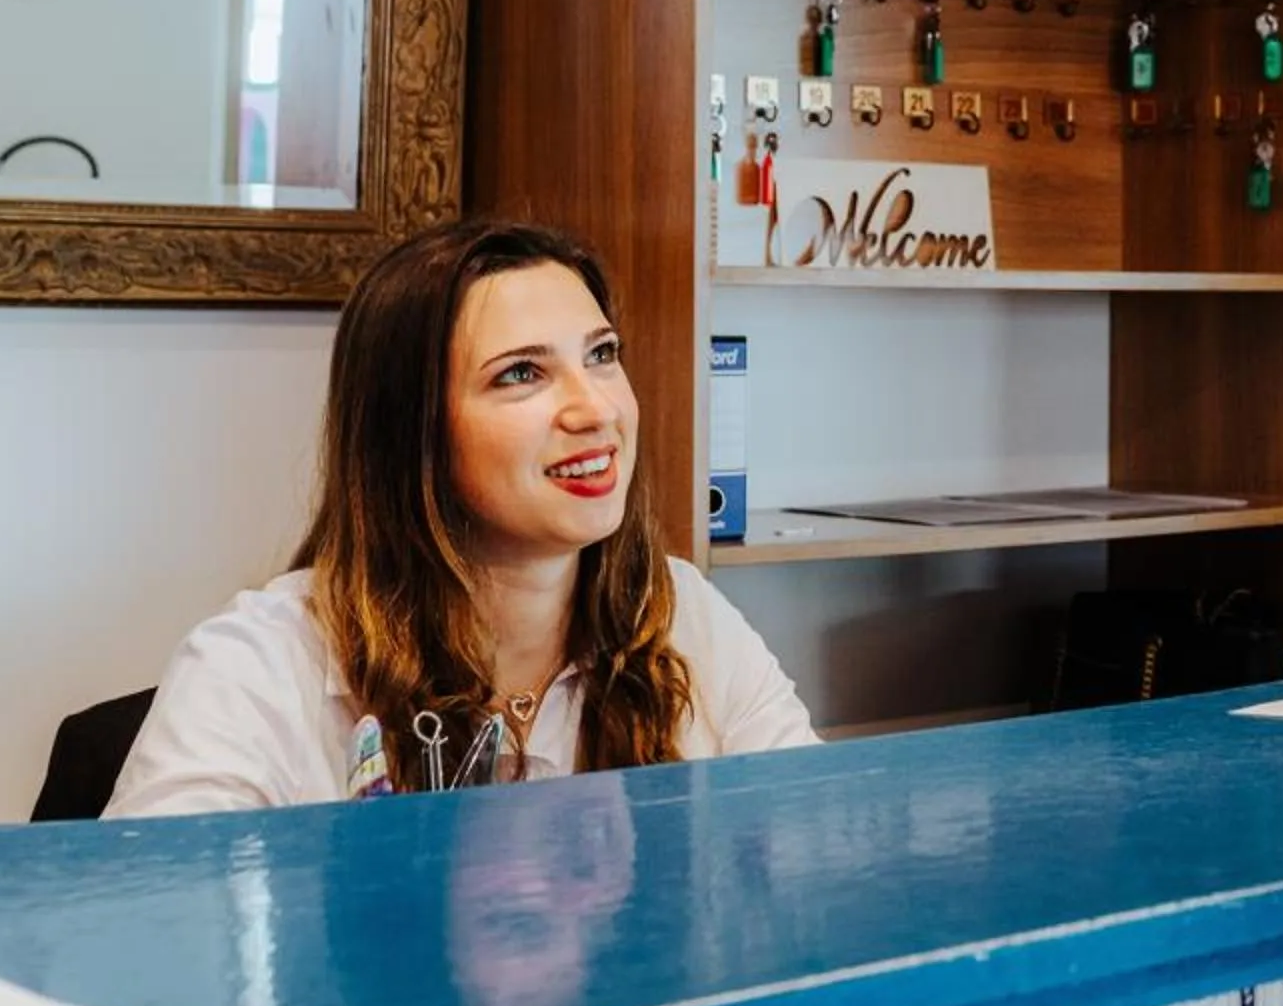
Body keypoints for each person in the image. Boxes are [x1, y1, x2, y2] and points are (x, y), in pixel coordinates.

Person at [107, 220, 816, 816]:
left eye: (601, 356)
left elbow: (811, 848)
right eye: (521, 374)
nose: (596, 409)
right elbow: (157, 945)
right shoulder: (256, 666)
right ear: (411, 434)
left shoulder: (681, 610)